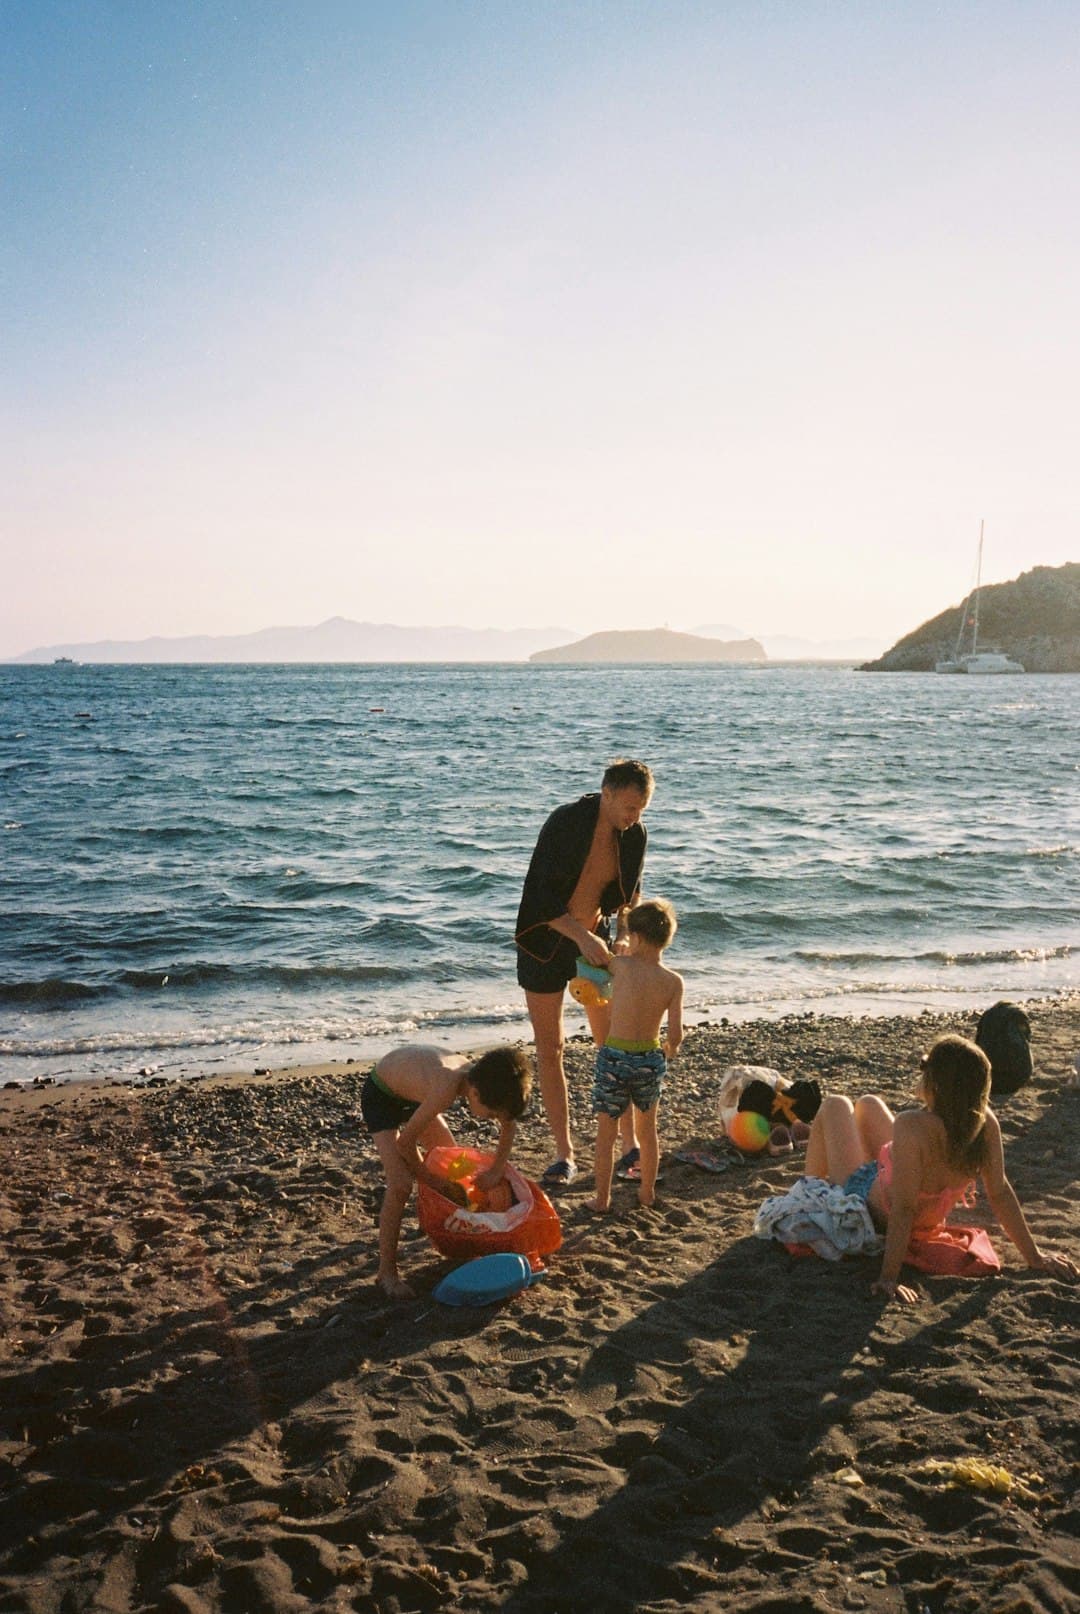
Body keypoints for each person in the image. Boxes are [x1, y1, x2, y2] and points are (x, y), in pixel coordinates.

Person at [804, 1033, 1078, 1303]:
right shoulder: (983, 1124)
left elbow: (904, 1209)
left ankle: (807, 1194)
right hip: (910, 1197)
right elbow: (1000, 1193)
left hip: (866, 1200)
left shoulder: (911, 1124)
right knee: (868, 1103)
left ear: (935, 1082)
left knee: (835, 1104)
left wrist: (889, 1276)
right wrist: (1035, 1257)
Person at [515, 759, 653, 1187]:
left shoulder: (635, 836)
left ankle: (629, 1146)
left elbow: (630, 898)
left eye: (643, 808)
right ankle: (564, 1155)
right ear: (607, 793)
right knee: (550, 1046)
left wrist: (625, 937)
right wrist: (582, 936)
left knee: (614, 1044)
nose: (635, 817)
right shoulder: (565, 823)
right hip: (545, 943)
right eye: (630, 806)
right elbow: (538, 899)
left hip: (593, 945)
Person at [361, 1044, 533, 1299]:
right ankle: (386, 1273)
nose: (493, 1119)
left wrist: (497, 1169)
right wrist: (429, 1179)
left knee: (450, 1162)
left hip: (414, 1095)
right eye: (491, 1115)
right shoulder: (446, 1088)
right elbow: (405, 1143)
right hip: (382, 1095)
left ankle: (430, 1220)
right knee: (401, 1184)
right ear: (474, 1093)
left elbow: (509, 1124)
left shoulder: (489, 1080)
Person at [590, 898, 683, 1212]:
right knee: (648, 1130)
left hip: (615, 1055)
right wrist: (667, 1052)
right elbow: (675, 1035)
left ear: (637, 939)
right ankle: (646, 1194)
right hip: (649, 1058)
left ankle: (602, 1199)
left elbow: (600, 963)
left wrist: (612, 941)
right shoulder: (673, 982)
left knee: (607, 1132)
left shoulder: (622, 966)